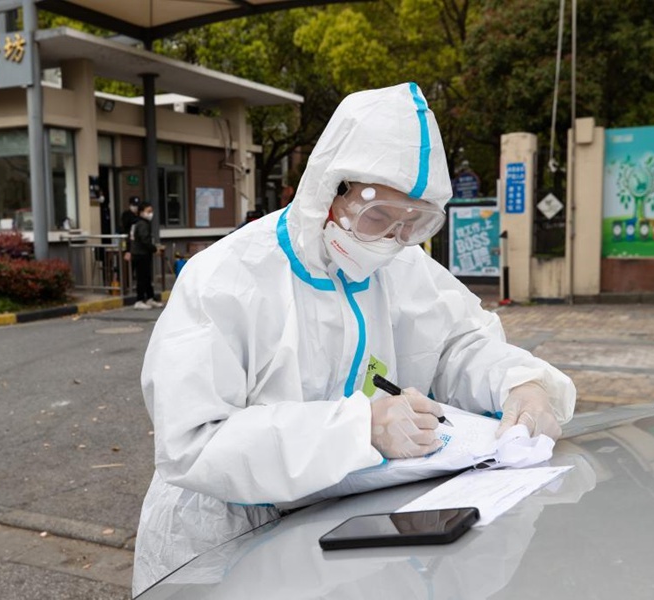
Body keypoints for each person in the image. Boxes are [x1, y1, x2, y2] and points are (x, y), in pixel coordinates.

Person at [132, 83, 576, 594]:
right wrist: (357, 427)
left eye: (414, 223)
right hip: (221, 538)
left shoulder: (405, 268)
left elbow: (461, 344)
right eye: (378, 216)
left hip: (350, 530)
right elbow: (193, 443)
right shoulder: (227, 278)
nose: (393, 239)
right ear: (330, 189)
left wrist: (519, 384)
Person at [127, 202, 163, 310]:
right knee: (142, 278)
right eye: (148, 211)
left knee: (146, 277)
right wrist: (154, 249)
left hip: (138, 253)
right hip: (141, 254)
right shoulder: (142, 224)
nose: (151, 214)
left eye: (151, 211)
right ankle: (139, 300)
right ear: (141, 212)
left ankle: (150, 298)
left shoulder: (136, 223)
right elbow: (145, 240)